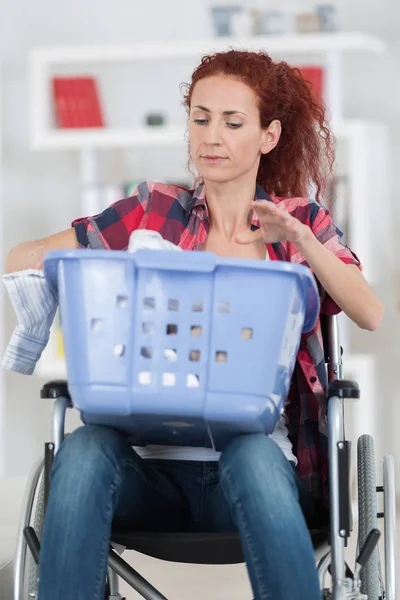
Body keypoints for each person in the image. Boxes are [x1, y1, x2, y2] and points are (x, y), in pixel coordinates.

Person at [5, 50, 383, 600]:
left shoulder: (300, 221)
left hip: (256, 469)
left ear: (267, 136)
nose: (213, 136)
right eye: (201, 118)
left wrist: (300, 242)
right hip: (151, 473)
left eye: (233, 123)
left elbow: (368, 312)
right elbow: (22, 256)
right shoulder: (155, 212)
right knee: (84, 449)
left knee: (252, 454)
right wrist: (60, 260)